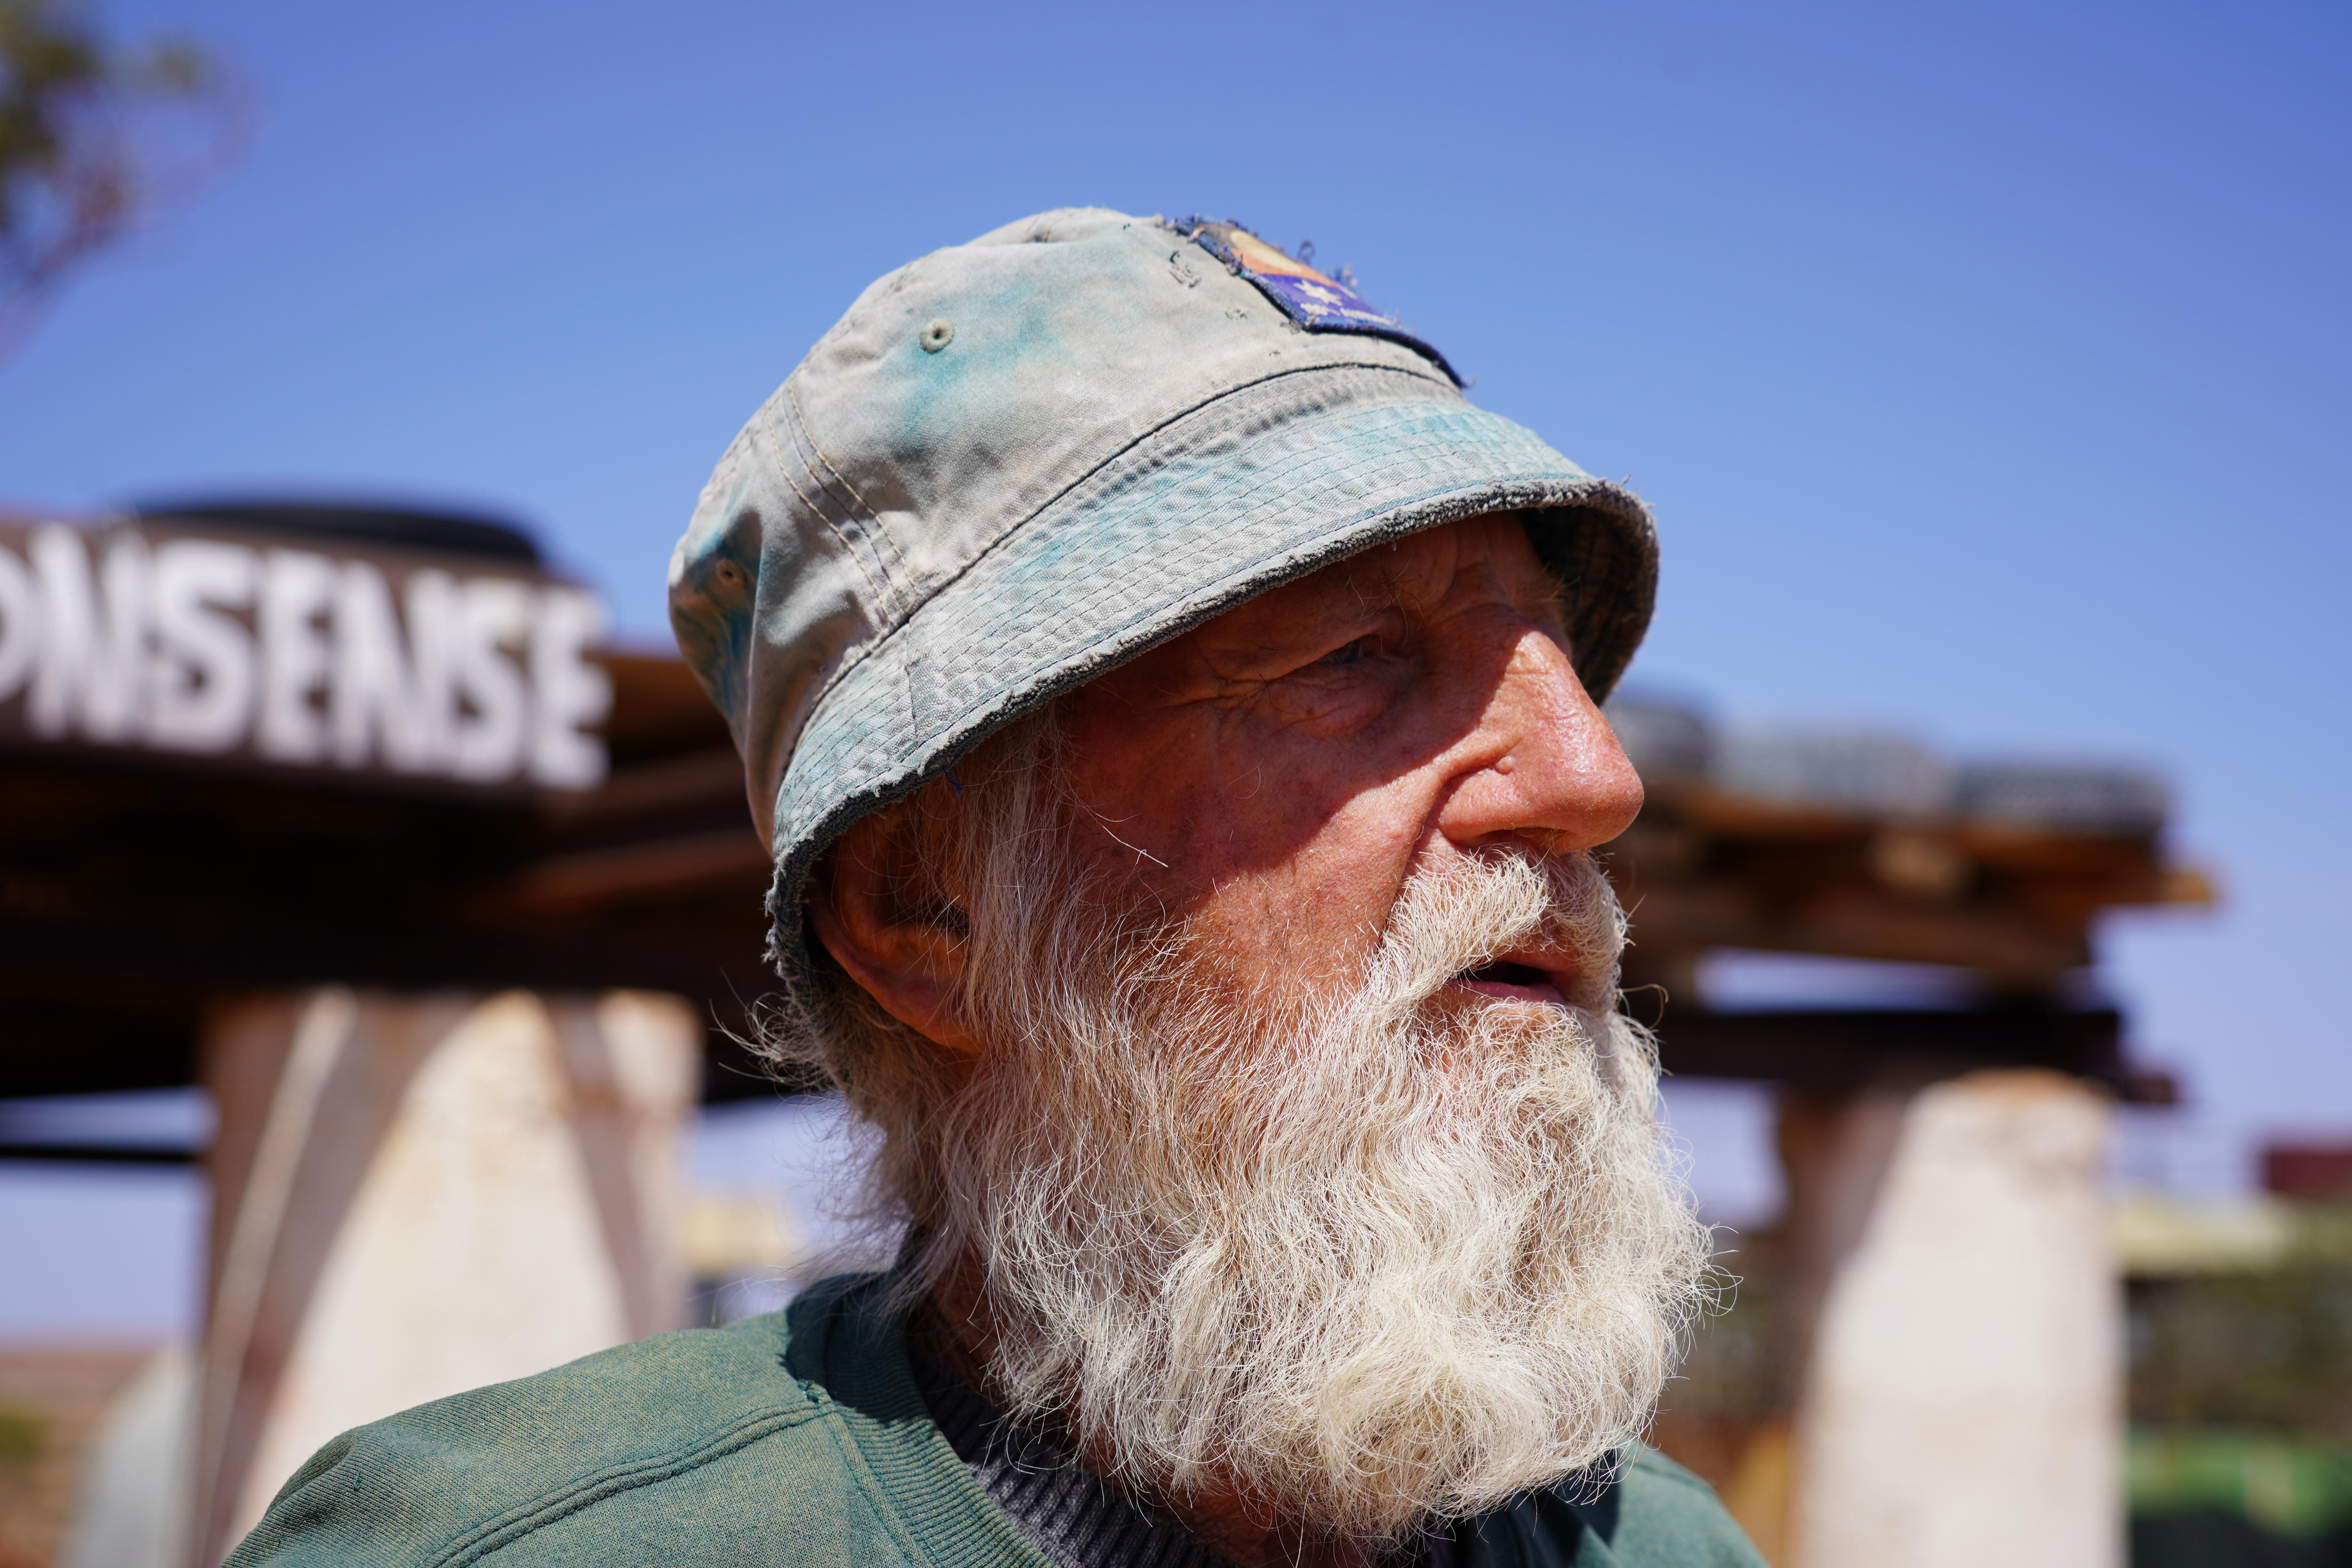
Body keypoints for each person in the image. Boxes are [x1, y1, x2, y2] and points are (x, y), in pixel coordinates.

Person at [229, 209, 1761, 1568]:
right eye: (1355, 659)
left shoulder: (1658, 1549)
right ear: (925, 911)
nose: (1590, 779)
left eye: (1552, 660)